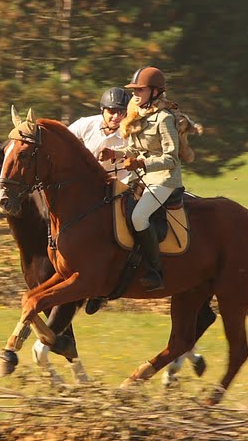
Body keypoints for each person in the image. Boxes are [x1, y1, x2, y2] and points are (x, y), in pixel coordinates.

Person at [98, 66, 182, 291]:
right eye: (134, 90)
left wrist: (141, 163)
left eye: (140, 90)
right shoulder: (139, 113)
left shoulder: (164, 119)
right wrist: (116, 155)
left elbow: (171, 158)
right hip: (141, 178)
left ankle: (156, 271)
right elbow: (135, 150)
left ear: (155, 92)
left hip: (164, 179)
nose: (134, 94)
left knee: (138, 217)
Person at [67, 87, 130, 182]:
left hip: (120, 185)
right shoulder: (85, 124)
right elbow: (61, 139)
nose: (116, 117)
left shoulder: (132, 133)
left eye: (122, 112)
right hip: (87, 181)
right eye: (111, 111)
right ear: (102, 110)